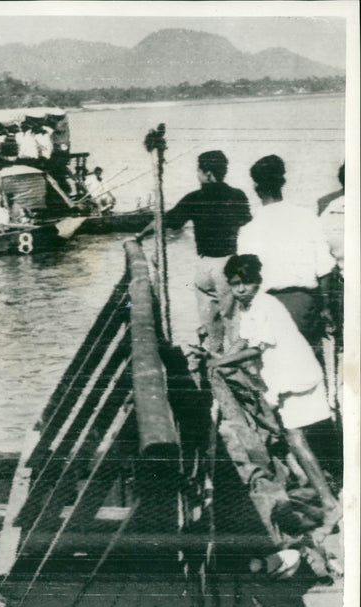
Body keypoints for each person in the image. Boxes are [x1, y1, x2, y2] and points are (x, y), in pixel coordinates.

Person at [208, 255, 340, 515]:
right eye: (234, 285)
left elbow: (255, 349)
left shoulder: (265, 305)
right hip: (287, 375)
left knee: (296, 438)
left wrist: (218, 365)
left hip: (295, 374)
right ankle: (318, 486)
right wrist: (223, 360)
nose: (241, 289)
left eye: (246, 283)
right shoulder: (249, 307)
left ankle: (328, 500)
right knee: (295, 436)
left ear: (257, 281)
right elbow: (243, 341)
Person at [136, 150, 251, 350]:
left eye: (198, 170)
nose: (197, 174)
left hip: (204, 266)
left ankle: (214, 368)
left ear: (206, 173)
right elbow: (247, 226)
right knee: (234, 322)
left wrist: (140, 235)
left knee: (210, 325)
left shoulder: (194, 198)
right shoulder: (238, 195)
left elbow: (165, 221)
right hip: (230, 263)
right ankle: (237, 369)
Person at [237, 155, 336, 353]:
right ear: (282, 182)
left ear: (256, 188)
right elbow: (325, 270)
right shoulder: (307, 217)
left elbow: (245, 282)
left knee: (274, 369)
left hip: (267, 307)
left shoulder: (248, 229)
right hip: (304, 307)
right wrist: (325, 308)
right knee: (310, 367)